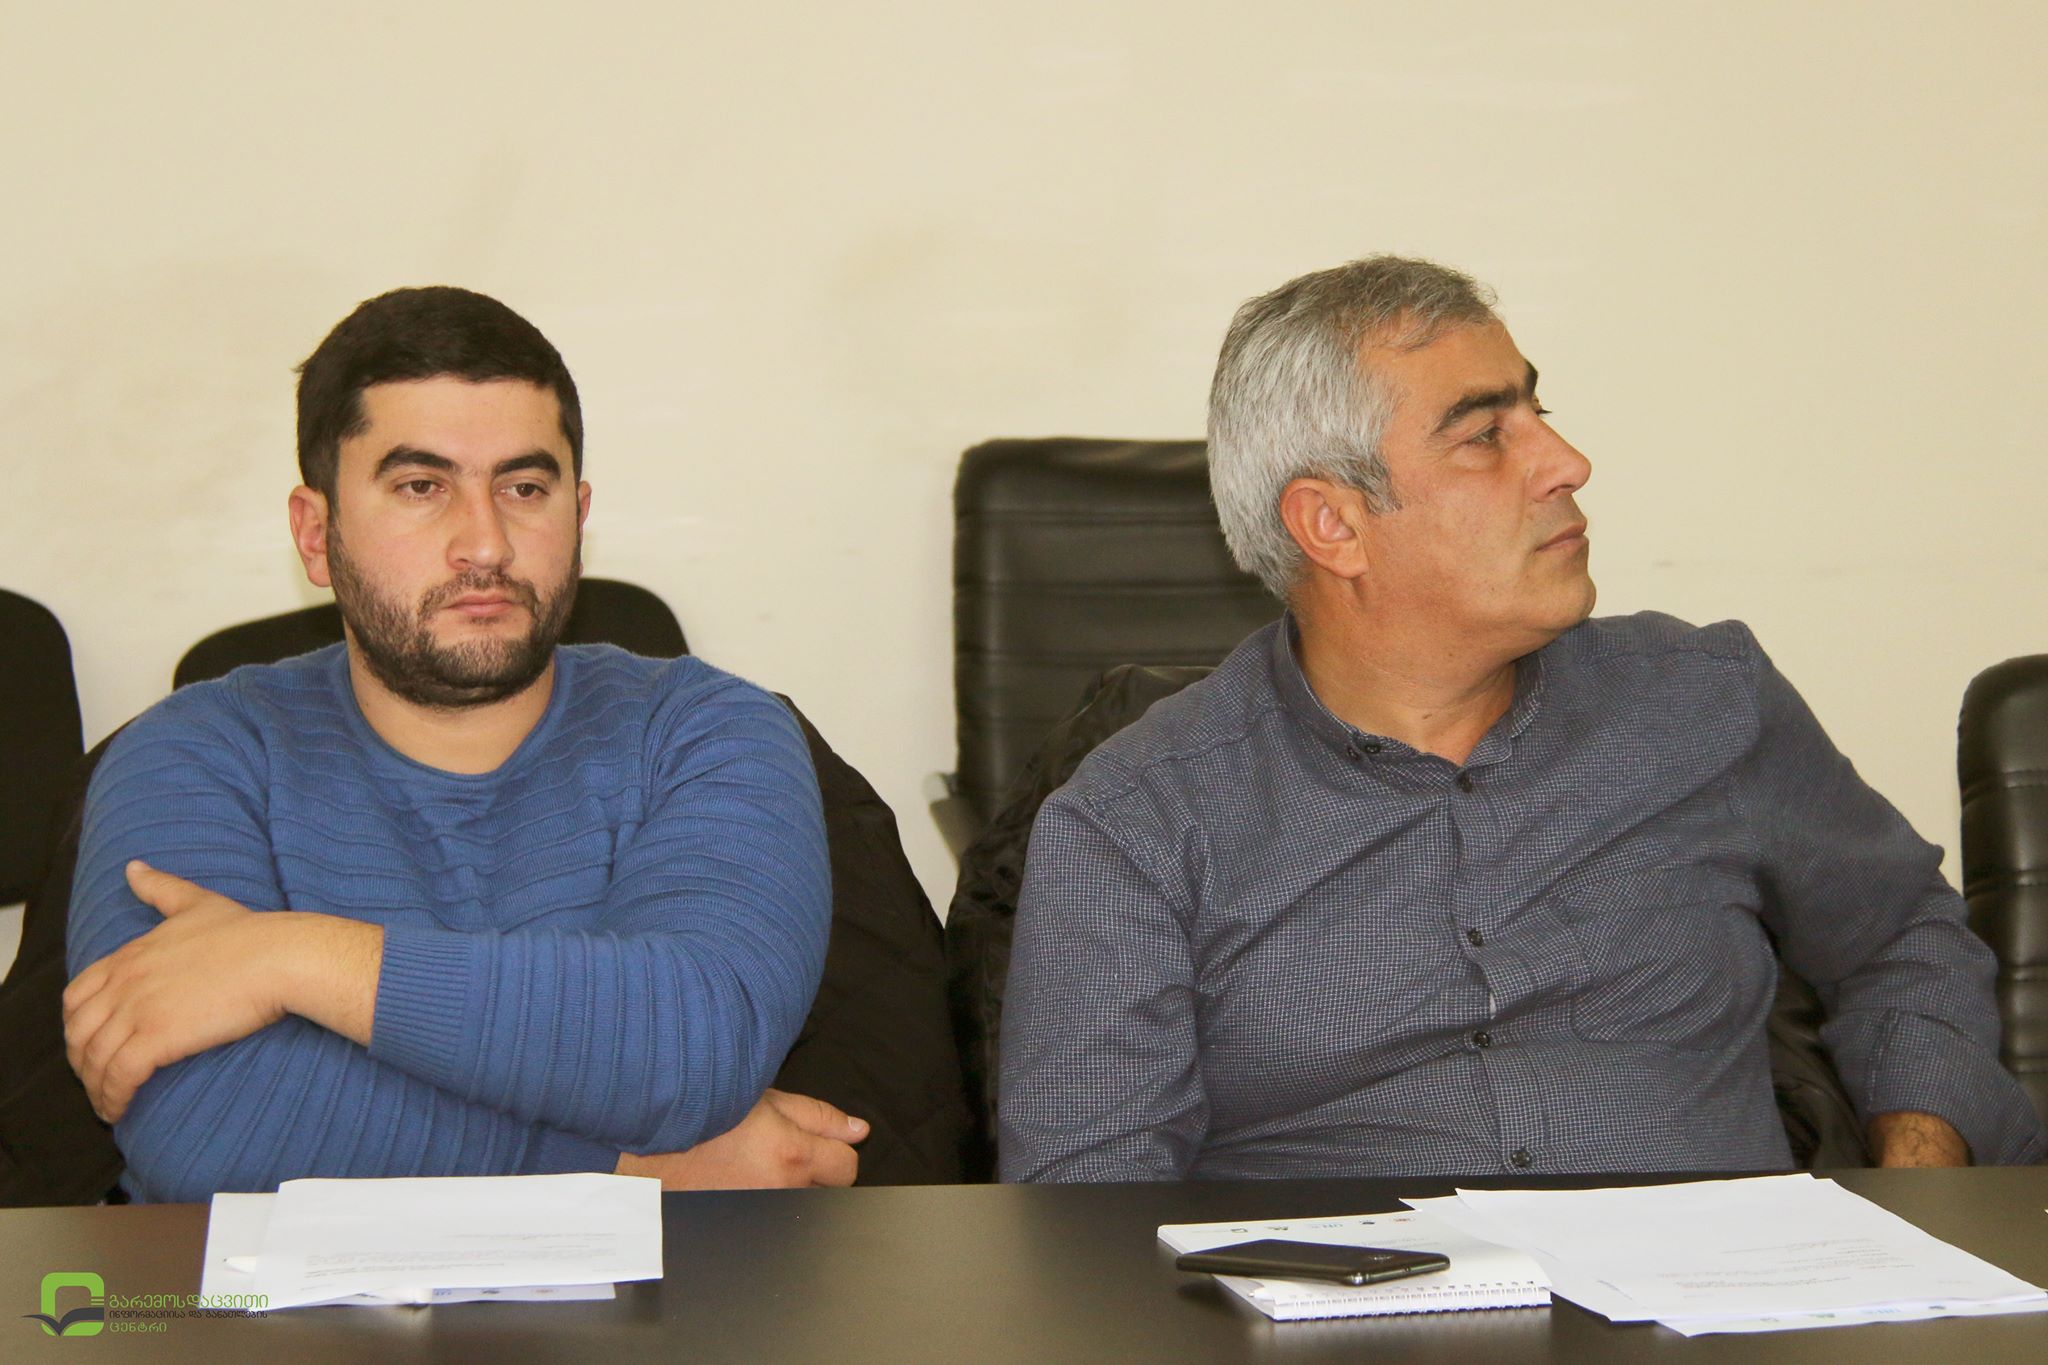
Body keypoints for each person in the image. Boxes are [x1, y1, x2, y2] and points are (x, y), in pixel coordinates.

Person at [999, 255, 2047, 1182]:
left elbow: (1899, 936)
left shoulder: (1701, 700)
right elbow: (1092, 1210)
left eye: (1538, 413)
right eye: (1484, 436)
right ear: (1332, 525)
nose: (1565, 463)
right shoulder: (1134, 822)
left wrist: (1921, 1176)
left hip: (1718, 1306)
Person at [63, 287, 866, 1202]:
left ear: (579, 514)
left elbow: (694, 1045)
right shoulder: (189, 753)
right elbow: (208, 1124)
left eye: (525, 488)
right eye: (421, 487)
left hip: (669, 1296)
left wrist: (289, 957)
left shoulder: (710, 729)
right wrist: (636, 1167)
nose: (484, 544)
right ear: (316, 534)